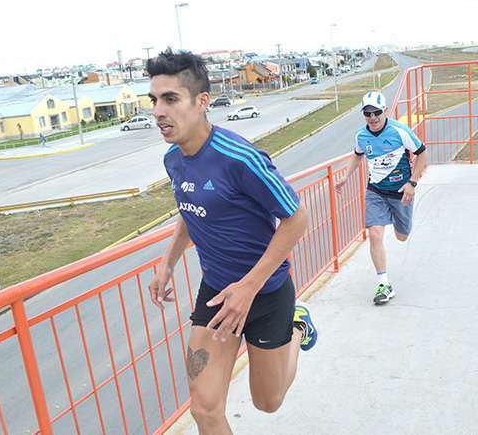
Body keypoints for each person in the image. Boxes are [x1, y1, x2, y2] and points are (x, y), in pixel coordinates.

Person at [147, 49, 317, 434]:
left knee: (267, 402)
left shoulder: (240, 158)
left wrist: (249, 287)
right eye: (154, 100)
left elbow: (297, 217)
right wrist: (167, 263)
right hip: (217, 294)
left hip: (267, 293)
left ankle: (297, 327)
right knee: (204, 409)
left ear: (202, 101)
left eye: (170, 99)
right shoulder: (173, 159)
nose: (158, 111)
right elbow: (190, 212)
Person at [335, 90, 427, 305]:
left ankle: (397, 220)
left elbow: (422, 153)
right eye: (368, 114)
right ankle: (384, 283)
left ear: (385, 111)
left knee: (402, 236)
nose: (373, 118)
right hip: (375, 191)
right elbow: (357, 155)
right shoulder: (361, 136)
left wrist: (412, 183)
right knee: (375, 234)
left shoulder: (400, 131)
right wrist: (346, 177)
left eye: (377, 112)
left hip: (401, 192)